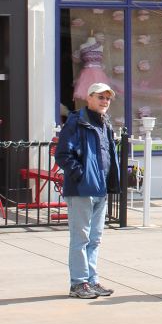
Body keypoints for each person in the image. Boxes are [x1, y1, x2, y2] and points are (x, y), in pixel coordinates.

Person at [54, 82, 120, 299]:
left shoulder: (104, 124)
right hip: (82, 189)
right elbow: (63, 155)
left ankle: (92, 280)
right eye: (100, 97)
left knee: (95, 238)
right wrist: (81, 175)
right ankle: (78, 283)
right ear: (89, 98)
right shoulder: (76, 122)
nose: (105, 102)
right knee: (80, 238)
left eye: (107, 98)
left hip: (100, 189)